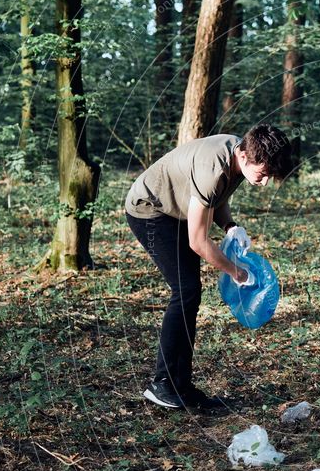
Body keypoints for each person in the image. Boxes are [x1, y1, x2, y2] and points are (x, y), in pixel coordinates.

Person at [125, 124, 293, 412]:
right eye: (263, 174)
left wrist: (229, 225)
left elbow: (217, 198)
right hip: (150, 209)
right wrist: (235, 272)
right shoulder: (213, 169)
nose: (264, 183)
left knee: (190, 292)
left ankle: (182, 386)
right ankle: (162, 383)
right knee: (185, 290)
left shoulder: (240, 154)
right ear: (246, 156)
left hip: (177, 208)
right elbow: (198, 242)